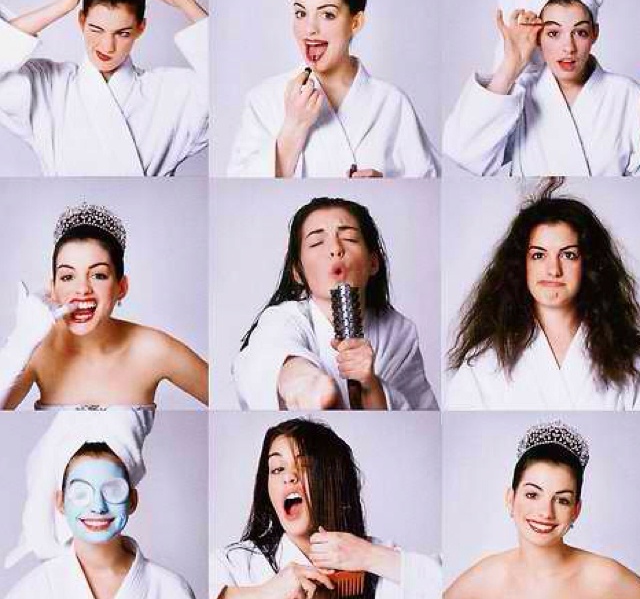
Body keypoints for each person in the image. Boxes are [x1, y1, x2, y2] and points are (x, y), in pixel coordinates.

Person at [227, 0, 439, 178]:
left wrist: (385, 185)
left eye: (327, 14)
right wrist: (293, 128)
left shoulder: (391, 103)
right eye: (301, 13)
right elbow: (238, 182)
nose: (309, 29)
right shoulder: (264, 99)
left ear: (355, 22)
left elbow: (428, 177)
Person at [0, 0, 208, 176]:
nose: (107, 46)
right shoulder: (50, 85)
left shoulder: (171, 92)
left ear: (141, 28)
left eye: (123, 33)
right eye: (96, 29)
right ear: (81, 20)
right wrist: (60, 6)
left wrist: (187, 4)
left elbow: (227, 89)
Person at [233, 197, 437, 410]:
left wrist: (372, 386)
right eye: (316, 242)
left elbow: (418, 410)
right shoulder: (282, 319)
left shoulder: (399, 331)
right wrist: (305, 383)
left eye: (349, 238)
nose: (335, 249)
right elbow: (267, 355)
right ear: (297, 272)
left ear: (373, 262)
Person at [446, 187, 640, 410]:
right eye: (539, 255)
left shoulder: (629, 358)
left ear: (588, 264)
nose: (553, 270)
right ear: (521, 265)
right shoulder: (484, 362)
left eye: (568, 255)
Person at [0, 202, 208, 409]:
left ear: (121, 287)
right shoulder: (36, 350)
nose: (82, 289)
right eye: (67, 276)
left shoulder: (154, 348)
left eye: (98, 275)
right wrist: (19, 344)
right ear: (52, 288)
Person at [443, 0, 640, 177]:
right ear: (538, 37)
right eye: (554, 33)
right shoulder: (520, 93)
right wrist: (511, 64)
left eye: (580, 32)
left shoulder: (628, 95)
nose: (568, 48)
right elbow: (466, 153)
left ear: (595, 33)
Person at [213, 417, 441, 599]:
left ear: (334, 481)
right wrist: (265, 594)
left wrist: (369, 556)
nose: (289, 477)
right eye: (277, 469)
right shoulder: (234, 563)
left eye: (305, 466)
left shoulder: (379, 558)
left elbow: (453, 586)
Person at [4, 410, 195, 598]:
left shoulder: (172, 590)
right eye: (81, 493)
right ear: (61, 502)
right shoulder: (30, 592)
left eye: (113, 491)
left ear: (132, 500)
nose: (98, 506)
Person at [445, 420, 640, 599]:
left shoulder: (604, 578)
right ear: (511, 499)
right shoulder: (485, 579)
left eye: (562, 500)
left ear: (576, 510)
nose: (546, 512)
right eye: (532, 495)